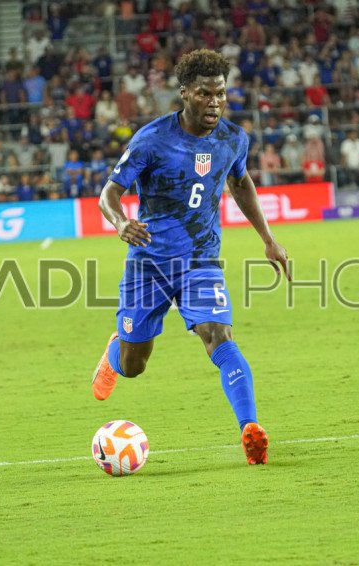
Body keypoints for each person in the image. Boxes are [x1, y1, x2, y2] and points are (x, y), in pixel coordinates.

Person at [92, 49, 290, 466]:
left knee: (219, 336)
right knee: (134, 364)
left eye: (221, 93)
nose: (215, 102)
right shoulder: (151, 139)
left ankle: (250, 429)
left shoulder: (233, 139)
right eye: (204, 94)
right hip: (149, 263)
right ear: (184, 93)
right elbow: (109, 193)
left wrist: (268, 239)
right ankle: (114, 353)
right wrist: (120, 222)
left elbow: (241, 184)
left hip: (201, 261)